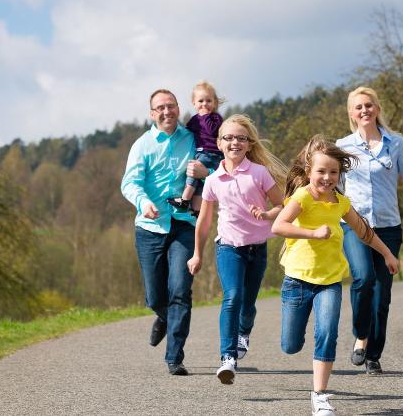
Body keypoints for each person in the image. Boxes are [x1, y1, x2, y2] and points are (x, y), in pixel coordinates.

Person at [272, 135, 399, 416]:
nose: (327, 177)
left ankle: (320, 395)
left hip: (329, 282)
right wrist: (312, 233)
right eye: (321, 171)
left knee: (327, 333)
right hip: (297, 281)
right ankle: (297, 341)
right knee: (290, 345)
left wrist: (388, 254)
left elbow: (364, 231)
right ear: (308, 172)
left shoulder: (341, 202)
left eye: (333, 172)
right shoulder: (302, 196)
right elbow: (278, 226)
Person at [187, 115, 287, 385]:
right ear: (219, 143)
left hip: (257, 248)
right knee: (232, 297)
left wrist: (267, 215)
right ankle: (227, 358)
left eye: (240, 138)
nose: (234, 142)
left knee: (248, 304)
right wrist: (197, 253)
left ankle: (244, 332)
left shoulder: (259, 173)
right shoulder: (212, 180)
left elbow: (283, 206)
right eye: (228, 138)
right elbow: (205, 221)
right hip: (229, 247)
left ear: (249, 143)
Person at [120, 88, 210, 376]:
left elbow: (211, 164)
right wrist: (143, 202)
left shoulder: (191, 139)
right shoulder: (142, 145)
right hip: (150, 227)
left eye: (170, 106)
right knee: (155, 296)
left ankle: (175, 357)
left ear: (177, 108)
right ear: (152, 114)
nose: (166, 111)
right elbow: (130, 183)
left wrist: (204, 175)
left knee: (180, 290)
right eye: (160, 108)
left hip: (184, 224)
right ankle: (162, 316)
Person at [336, 86, 403, 375]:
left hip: (389, 228)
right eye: (358, 107)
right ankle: (360, 335)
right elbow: (334, 186)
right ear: (351, 113)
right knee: (363, 278)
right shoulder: (342, 145)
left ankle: (373, 355)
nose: (364, 110)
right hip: (354, 225)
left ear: (377, 108)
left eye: (369, 105)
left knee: (382, 294)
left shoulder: (395, 143)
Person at [168, 80, 225, 214]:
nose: (204, 104)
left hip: (212, 153)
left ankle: (185, 199)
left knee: (193, 170)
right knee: (199, 184)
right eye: (200, 101)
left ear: (215, 103)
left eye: (208, 101)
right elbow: (187, 132)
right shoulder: (194, 119)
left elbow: (212, 131)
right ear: (194, 103)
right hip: (201, 152)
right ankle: (197, 210)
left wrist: (205, 116)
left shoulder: (215, 118)